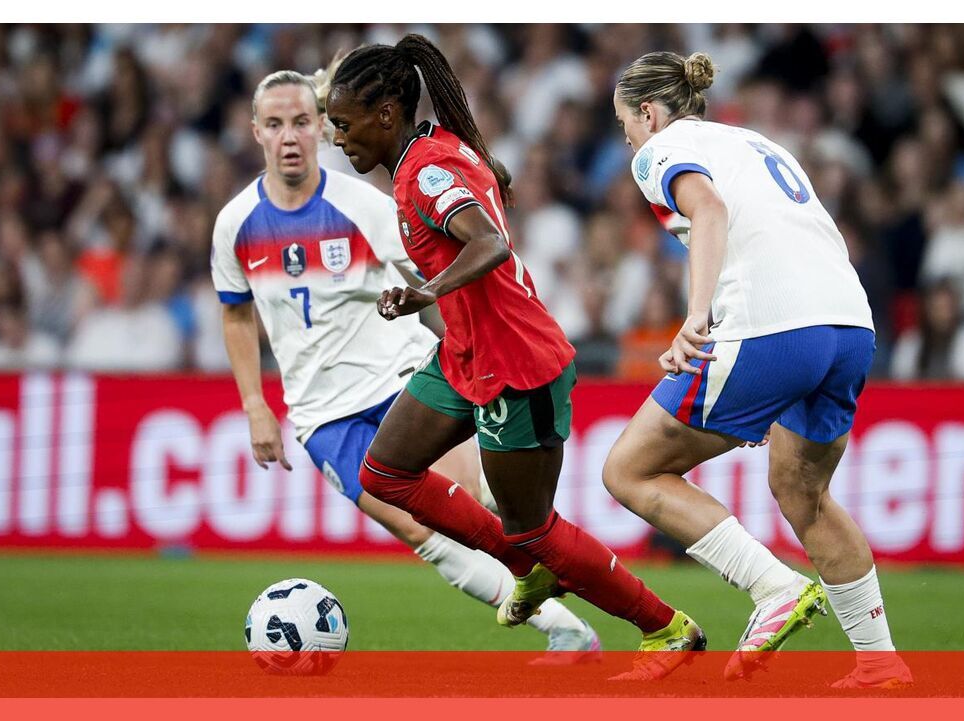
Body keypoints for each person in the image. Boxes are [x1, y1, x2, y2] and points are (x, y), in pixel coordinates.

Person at [325, 35, 702, 681]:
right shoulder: (434, 151)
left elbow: (489, 243)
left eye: (342, 123)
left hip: (515, 364)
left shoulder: (426, 172)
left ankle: (666, 627)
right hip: (464, 353)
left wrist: (427, 292)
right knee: (384, 473)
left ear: (385, 114)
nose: (337, 138)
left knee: (534, 527)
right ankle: (526, 567)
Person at [211, 69, 600, 660]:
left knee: (479, 502)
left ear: (320, 127)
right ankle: (566, 629)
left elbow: (436, 281)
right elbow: (236, 314)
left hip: (401, 378)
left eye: (300, 122)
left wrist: (470, 361)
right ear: (255, 132)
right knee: (424, 534)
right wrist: (253, 405)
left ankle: (597, 582)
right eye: (274, 124)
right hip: (322, 415)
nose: (288, 136)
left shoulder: (365, 206)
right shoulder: (234, 224)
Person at [604, 51, 913, 689]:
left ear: (648, 113)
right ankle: (880, 663)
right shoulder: (755, 142)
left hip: (773, 328)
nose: (627, 138)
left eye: (625, 123)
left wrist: (695, 318)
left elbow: (710, 211)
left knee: (629, 470)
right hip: (848, 326)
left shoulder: (660, 150)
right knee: (803, 491)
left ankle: (773, 587)